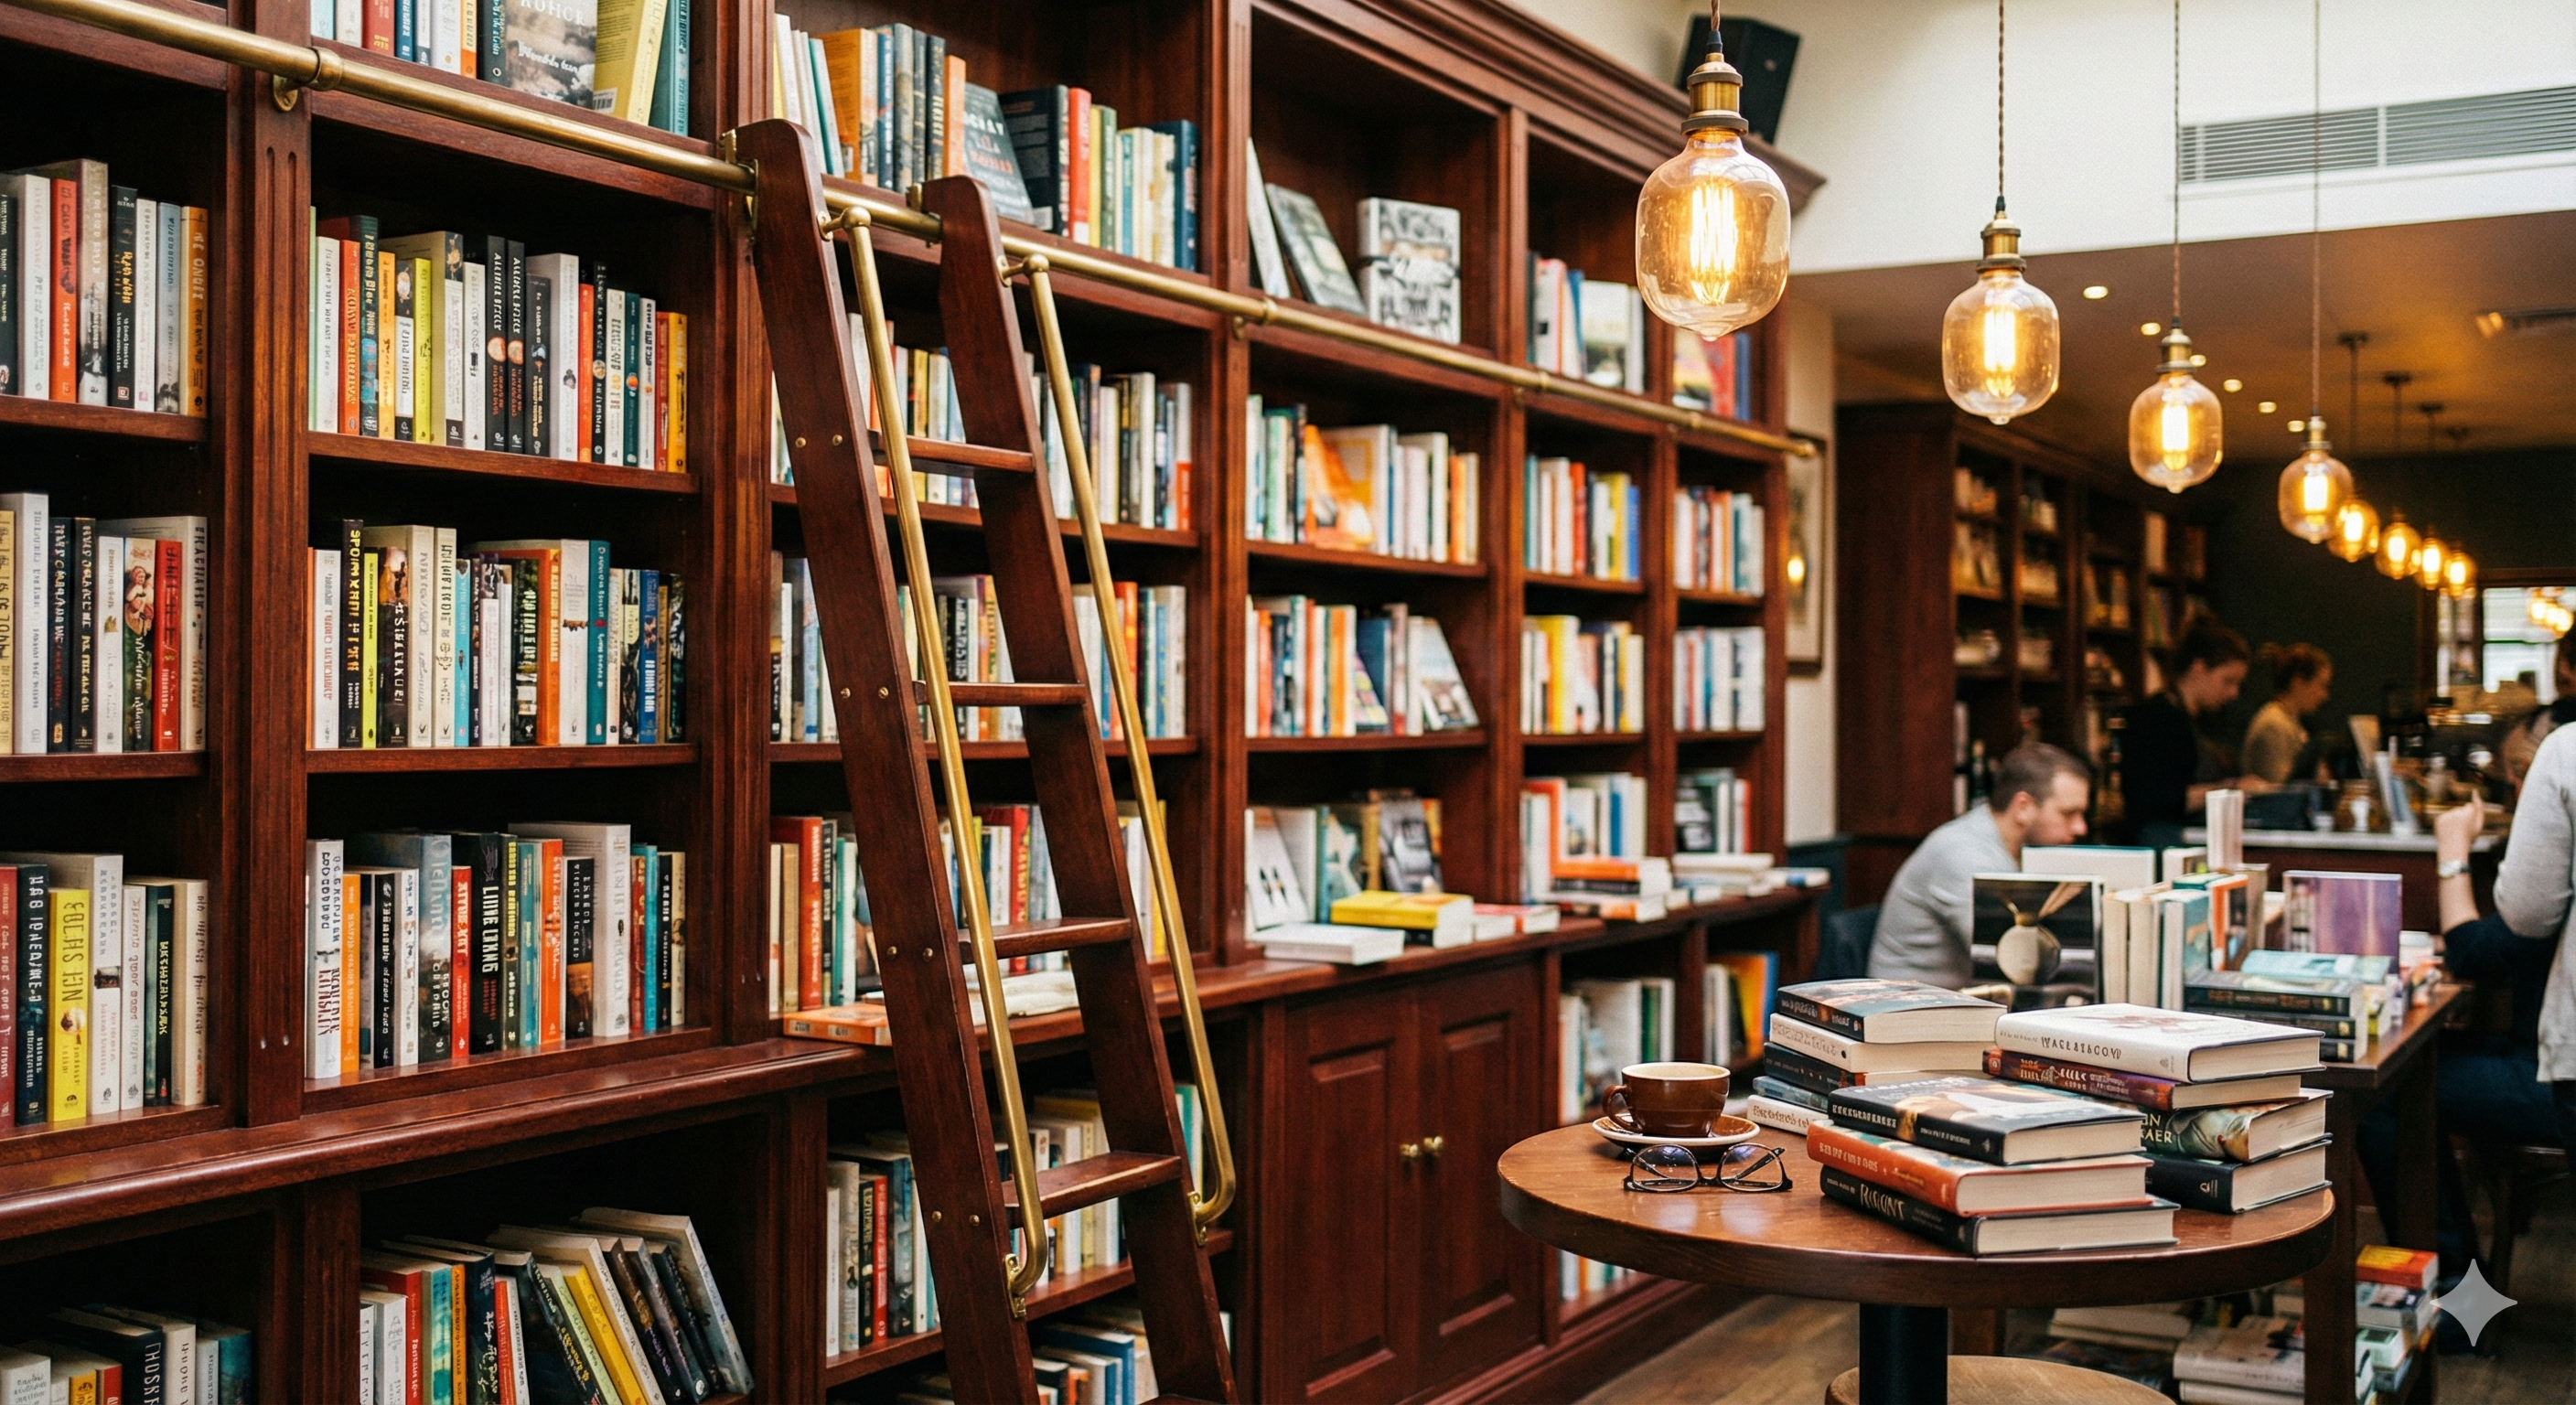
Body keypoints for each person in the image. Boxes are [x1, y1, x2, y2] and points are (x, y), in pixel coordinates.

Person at [2358, 795, 2563, 1294]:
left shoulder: (2562, 786)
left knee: (2383, 1087)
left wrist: (2452, 843)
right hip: (2542, 1054)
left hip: (2558, 1074)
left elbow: (2474, 952)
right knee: (2410, 1069)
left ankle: (2454, 1296)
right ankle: (2455, 1288)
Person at [1869, 743, 2091, 988]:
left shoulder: (2007, 848)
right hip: (1909, 1004)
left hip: (1956, 998)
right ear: (2023, 807)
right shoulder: (1962, 853)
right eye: (2068, 813)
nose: (2080, 827)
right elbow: (2015, 963)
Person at [2122, 619, 2263, 850]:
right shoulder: (2156, 719)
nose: (2233, 693)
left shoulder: (2199, 718)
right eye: (2228, 681)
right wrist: (2232, 789)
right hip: (2162, 844)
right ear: (2199, 669)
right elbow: (2156, 799)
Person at [2242, 643, 2332, 786]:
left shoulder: (2288, 721)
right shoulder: (2273, 725)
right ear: (2298, 683)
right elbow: (2280, 788)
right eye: (2321, 685)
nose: (2324, 695)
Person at [2499, 631, 2576, 791]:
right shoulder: (2549, 717)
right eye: (2559, 659)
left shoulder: (2555, 720)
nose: (2561, 671)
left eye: (2570, 659)